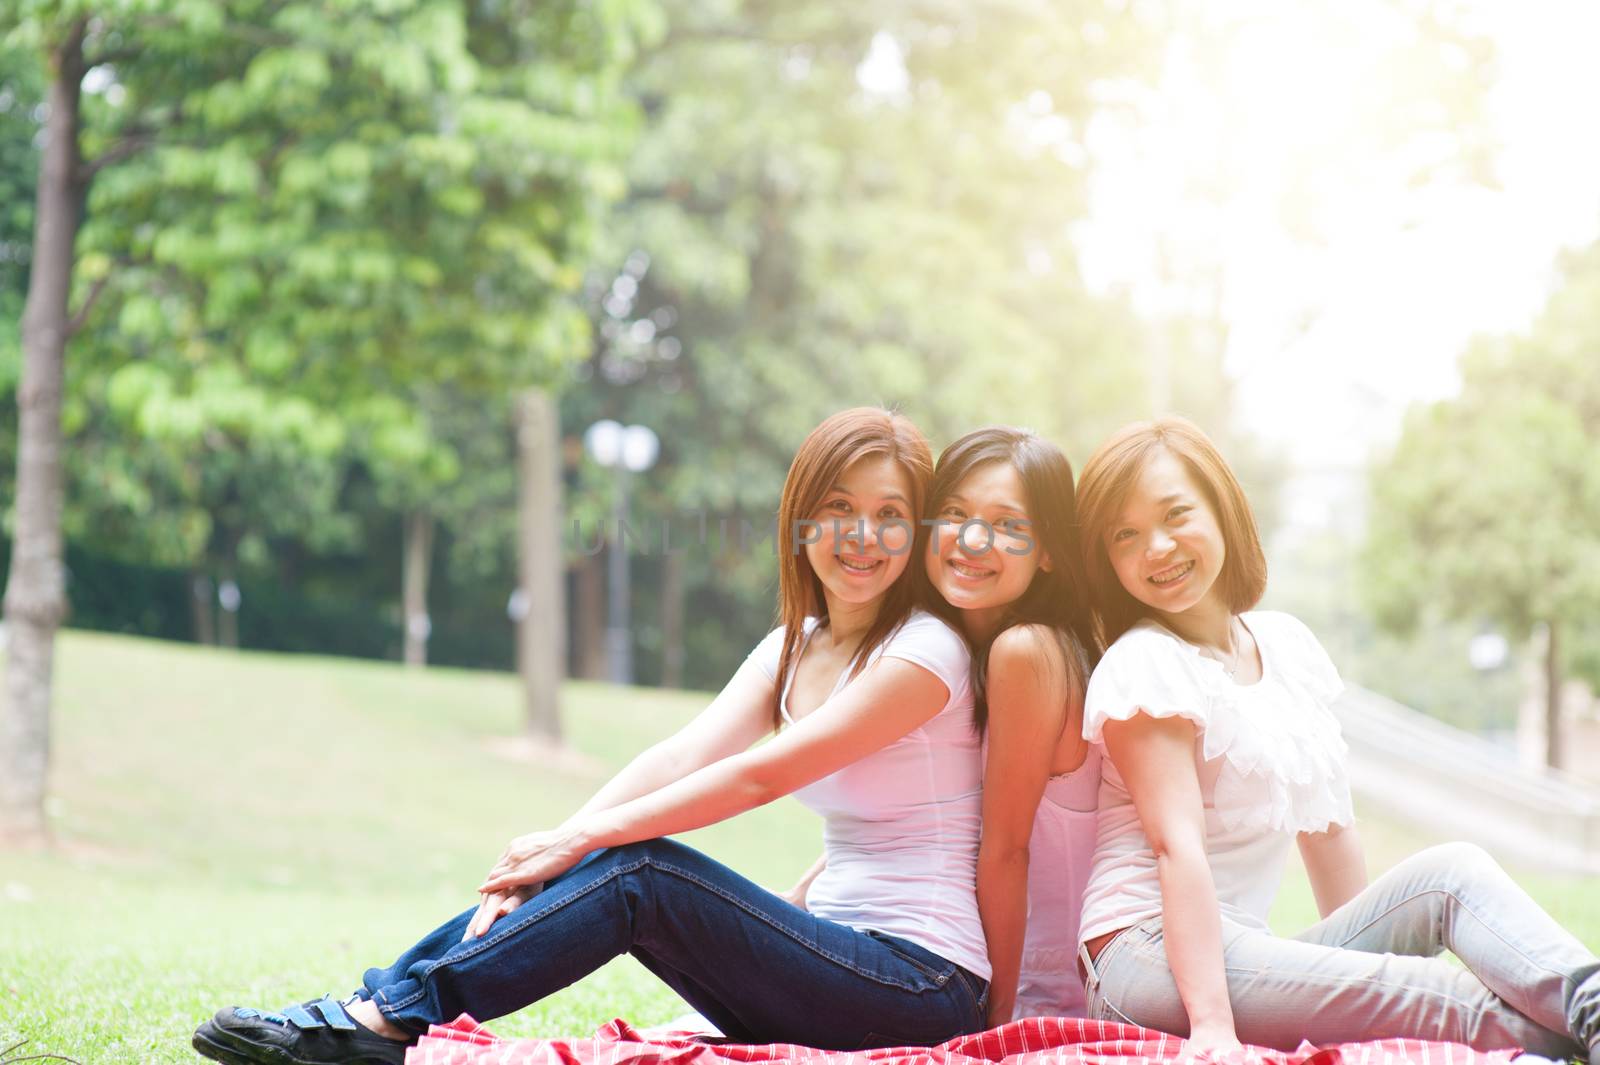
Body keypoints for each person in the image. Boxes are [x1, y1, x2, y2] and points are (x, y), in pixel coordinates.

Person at [193, 407, 991, 1065]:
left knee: (641, 866)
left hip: (918, 984)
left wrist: (580, 843)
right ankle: (380, 1009)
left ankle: (384, 1023)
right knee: (618, 855)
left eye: (891, 516)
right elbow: (682, 753)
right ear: (802, 517)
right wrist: (554, 847)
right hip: (842, 962)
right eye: (842, 509)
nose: (864, 536)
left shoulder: (924, 651)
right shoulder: (801, 638)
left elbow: (758, 778)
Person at [1069, 415, 1600, 1060]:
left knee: (1452, 872)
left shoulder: (1287, 647)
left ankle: (1592, 1004)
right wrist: (1212, 1027)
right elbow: (1175, 848)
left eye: (1176, 514)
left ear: (1223, 512)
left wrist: (1363, 970)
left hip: (1242, 947)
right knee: (1445, 997)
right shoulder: (1145, 663)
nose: (1157, 546)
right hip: (1145, 956)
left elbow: (1328, 831)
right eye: (1126, 535)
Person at [785, 426, 1103, 1027]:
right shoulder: (949, 650)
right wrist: (798, 897)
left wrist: (993, 1028)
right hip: (986, 959)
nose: (973, 539)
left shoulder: (1026, 651)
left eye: (1008, 525)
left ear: (1049, 551)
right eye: (954, 513)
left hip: (1049, 985)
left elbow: (1005, 851)